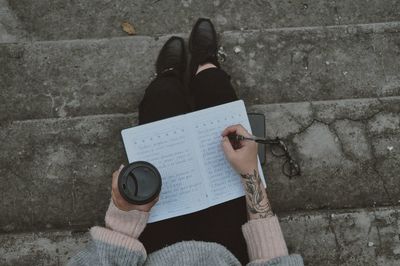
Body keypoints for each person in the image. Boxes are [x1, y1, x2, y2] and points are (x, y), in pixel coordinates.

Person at [68, 18, 303, 266]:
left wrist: (126, 213)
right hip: (229, 251)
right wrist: (250, 173)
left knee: (161, 98)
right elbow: (275, 261)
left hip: (156, 247)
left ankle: (169, 75)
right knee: (216, 89)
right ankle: (205, 64)